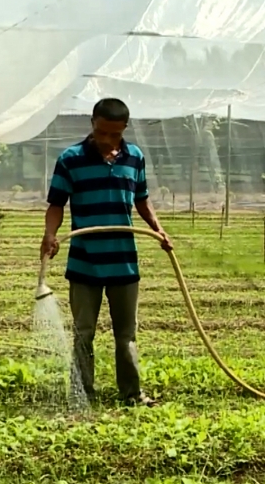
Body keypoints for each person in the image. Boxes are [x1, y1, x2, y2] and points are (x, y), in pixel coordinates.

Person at [41, 98, 172, 407]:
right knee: (84, 332)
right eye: (101, 132)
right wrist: (50, 234)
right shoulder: (70, 159)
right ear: (92, 124)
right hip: (84, 262)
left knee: (126, 334)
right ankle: (82, 393)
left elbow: (142, 199)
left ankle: (132, 393)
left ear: (124, 129)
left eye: (113, 134)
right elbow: (56, 204)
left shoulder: (134, 157)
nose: (105, 140)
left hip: (123, 262)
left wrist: (157, 228)